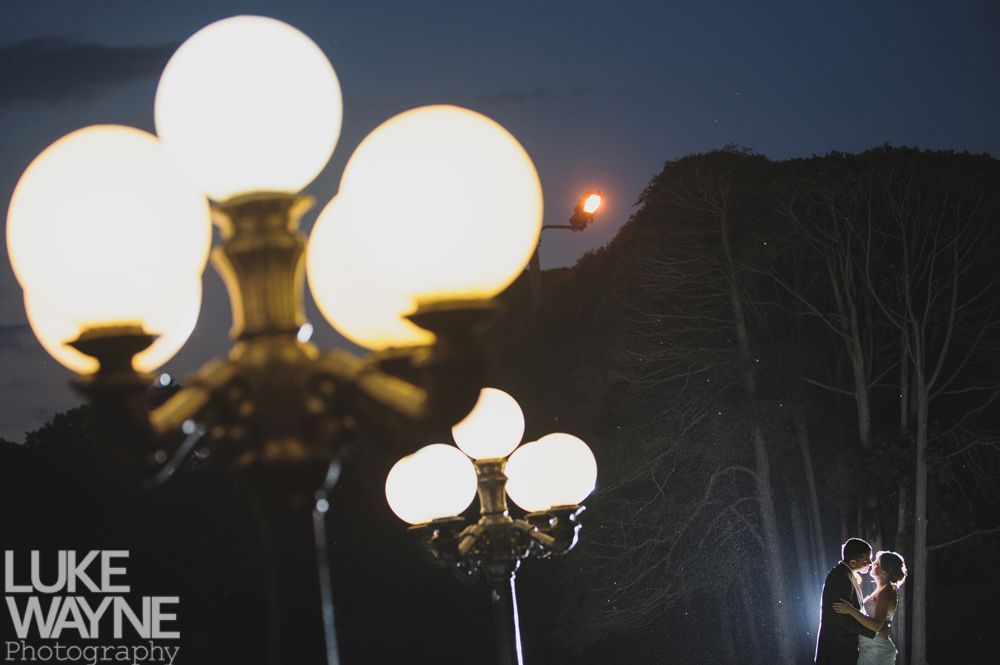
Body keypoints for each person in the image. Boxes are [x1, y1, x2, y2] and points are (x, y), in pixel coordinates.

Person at [833, 550, 907, 665]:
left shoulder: (886, 592)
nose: (872, 564)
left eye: (877, 564)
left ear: (885, 572)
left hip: (875, 648)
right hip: (870, 646)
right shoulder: (882, 590)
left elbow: (876, 625)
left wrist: (850, 610)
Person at [814, 538, 878, 665]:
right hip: (837, 650)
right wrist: (872, 631)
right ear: (853, 562)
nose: (870, 563)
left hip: (843, 648)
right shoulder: (840, 577)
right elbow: (842, 617)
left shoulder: (847, 574)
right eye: (866, 559)